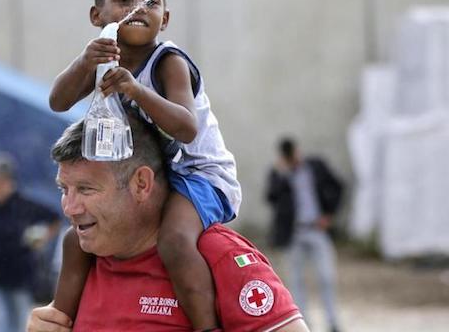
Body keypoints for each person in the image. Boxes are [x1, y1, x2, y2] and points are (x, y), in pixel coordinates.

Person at [48, 0, 241, 330]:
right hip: (153, 176)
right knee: (75, 241)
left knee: (174, 240)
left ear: (165, 19)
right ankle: (60, 319)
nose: (139, 9)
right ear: (97, 15)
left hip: (200, 175)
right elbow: (58, 101)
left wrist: (135, 89)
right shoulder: (104, 58)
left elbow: (186, 128)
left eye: (151, 1)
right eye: (124, 0)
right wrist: (84, 62)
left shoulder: (168, 62)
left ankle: (206, 325)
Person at [29, 113, 307, 331]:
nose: (69, 208)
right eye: (64, 190)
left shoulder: (217, 256)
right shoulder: (83, 260)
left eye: (87, 189)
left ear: (141, 184)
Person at [0, 152, 61, 332]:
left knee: (18, 323)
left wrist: (42, 238)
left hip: (18, 274)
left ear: (5, 179)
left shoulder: (22, 204)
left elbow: (54, 218)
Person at [266, 137, 343, 332]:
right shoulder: (279, 173)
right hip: (294, 233)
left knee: (326, 277)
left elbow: (338, 186)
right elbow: (271, 197)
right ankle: (303, 323)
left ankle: (332, 321)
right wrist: (281, 175)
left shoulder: (315, 166)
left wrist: (329, 214)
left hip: (316, 229)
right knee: (295, 280)